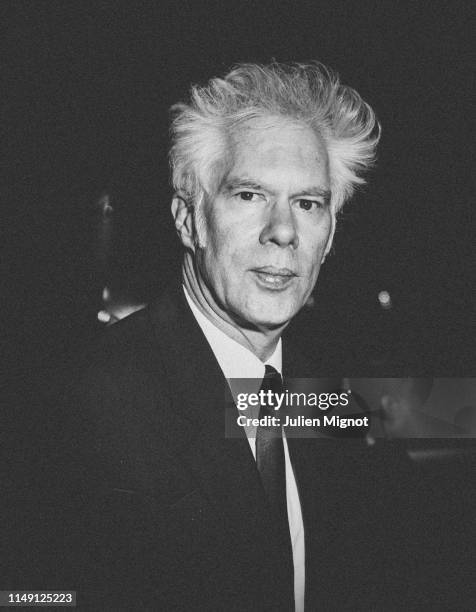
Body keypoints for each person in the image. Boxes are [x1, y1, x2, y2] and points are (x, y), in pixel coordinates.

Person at [51, 62, 470, 610]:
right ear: (188, 220)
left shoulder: (319, 397)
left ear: (331, 233)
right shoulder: (79, 406)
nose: (283, 231)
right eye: (249, 195)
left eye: (308, 203)